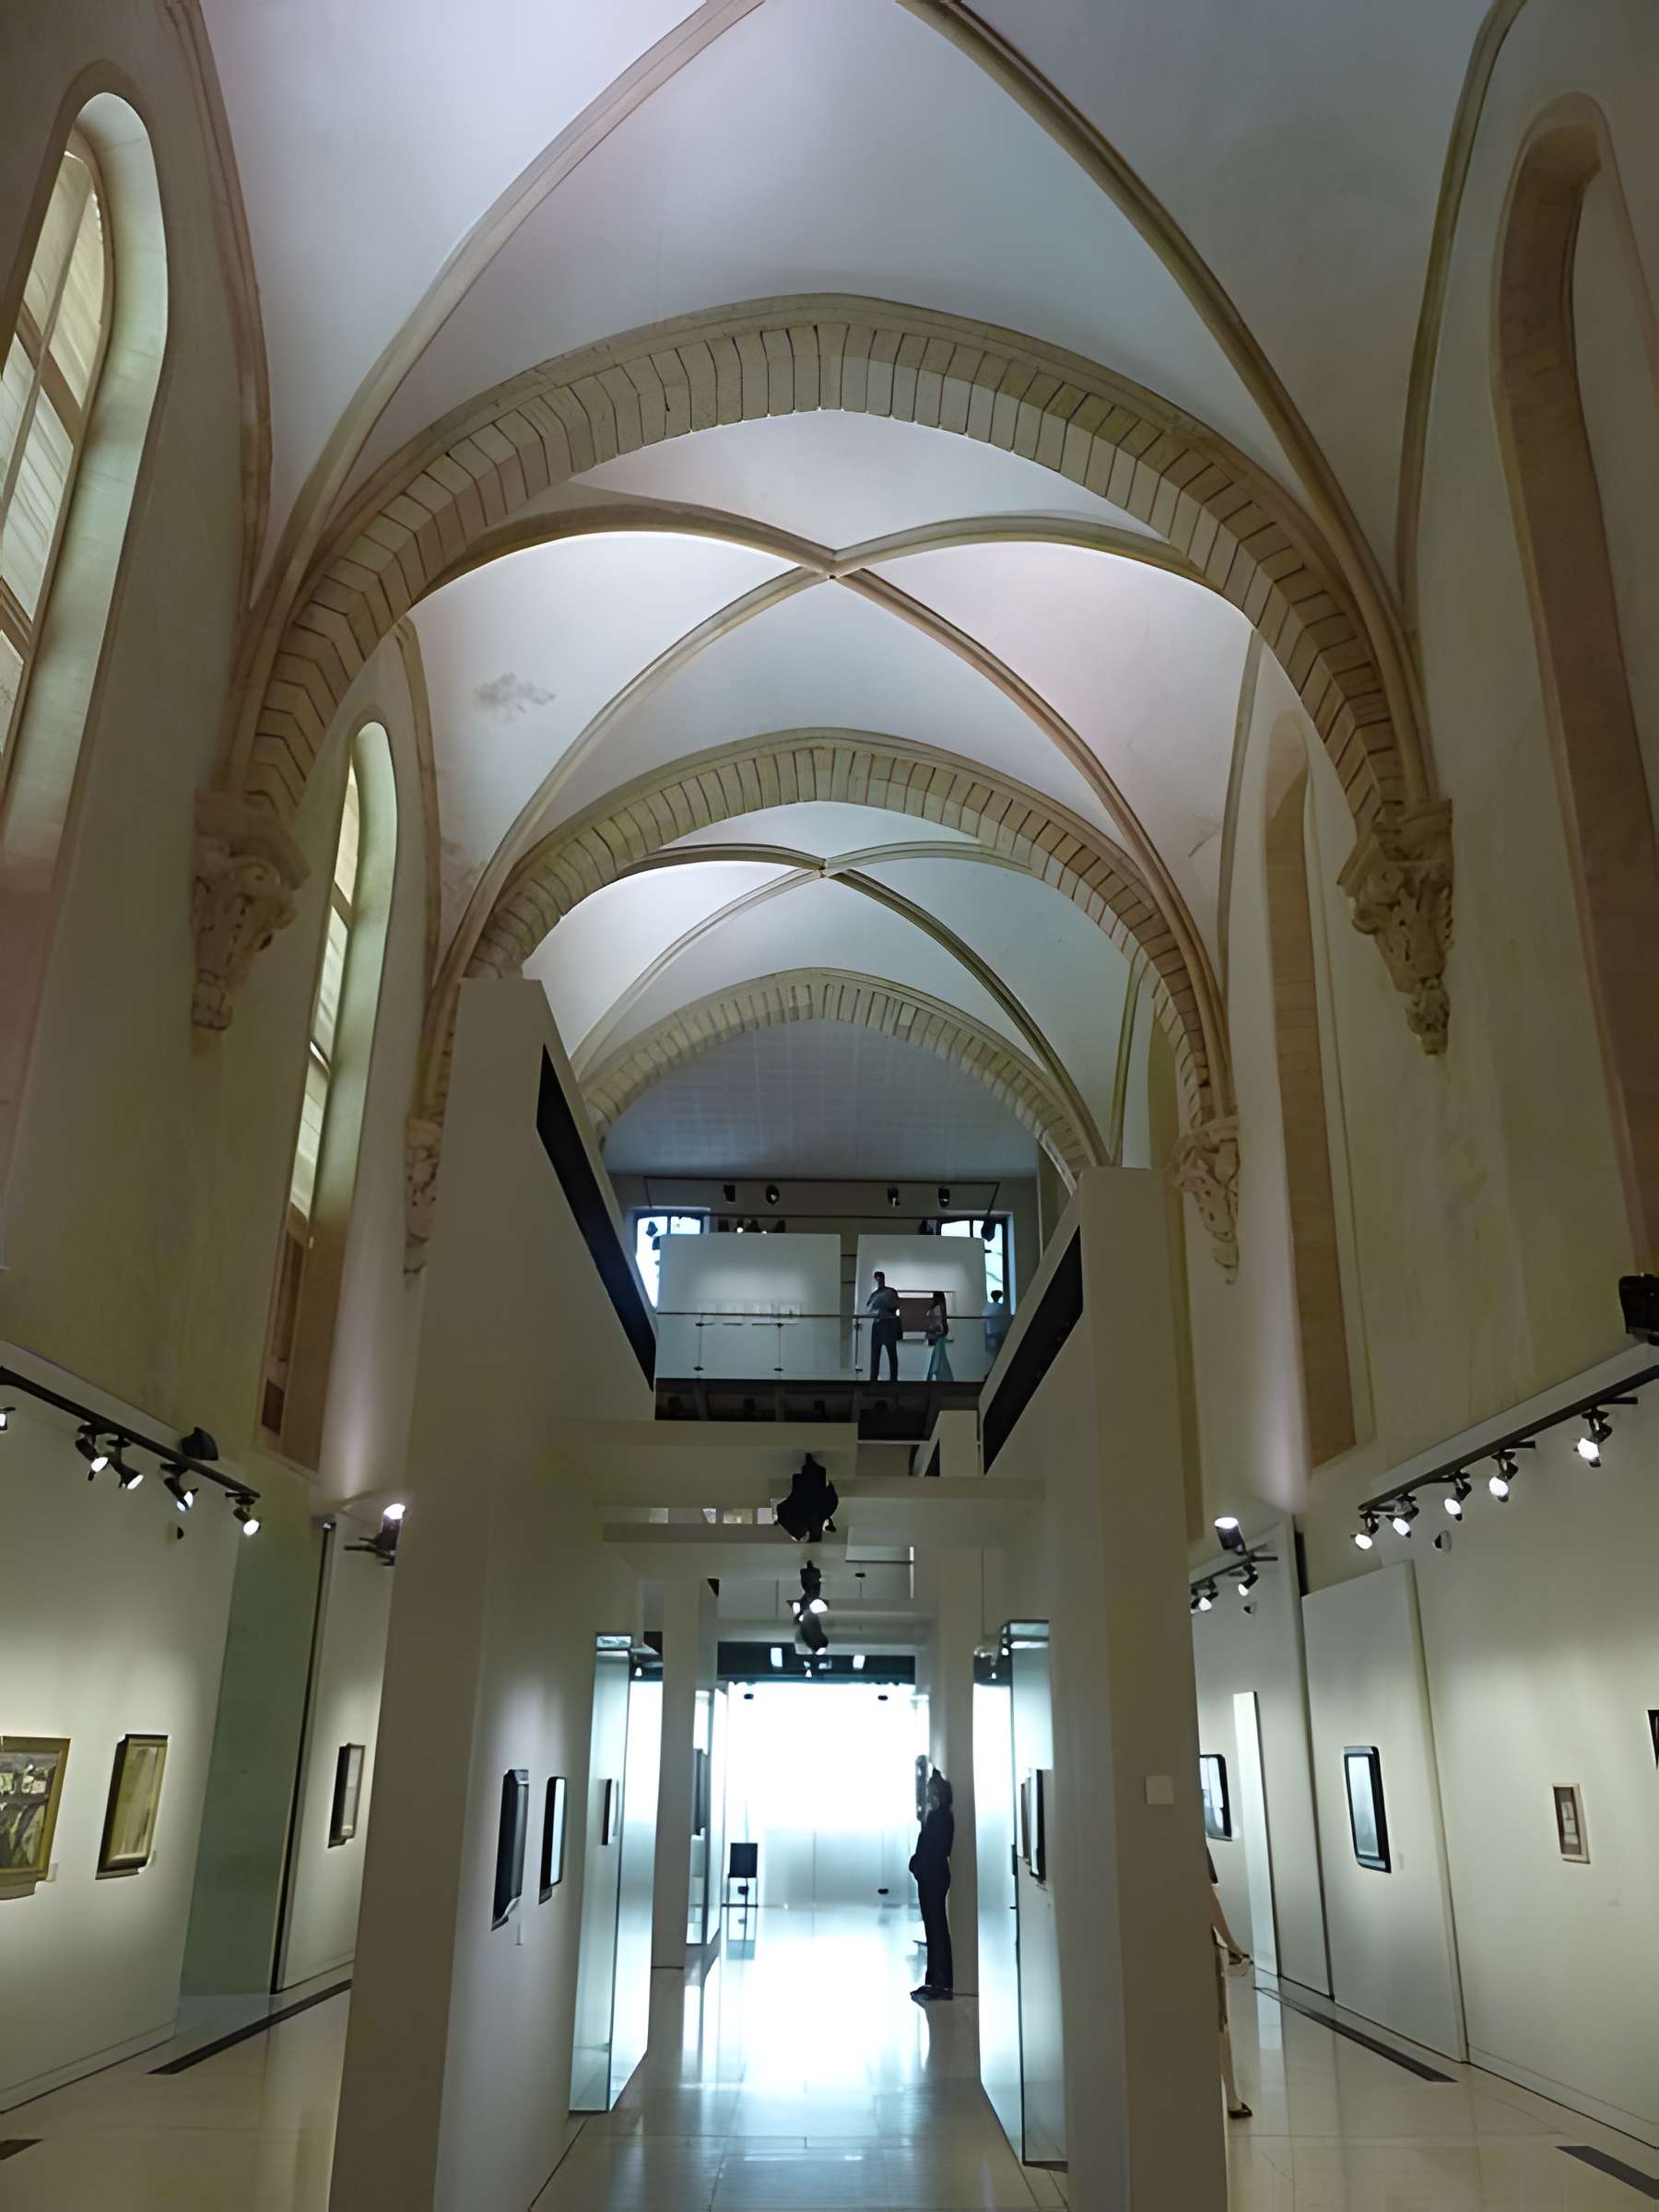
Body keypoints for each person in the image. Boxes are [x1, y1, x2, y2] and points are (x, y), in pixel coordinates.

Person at [1208, 1846, 1252, 2118]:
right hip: (1206, 1941)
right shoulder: (1192, 1842)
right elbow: (1207, 1897)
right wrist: (1233, 1945)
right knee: (1219, 2022)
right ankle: (1232, 2098)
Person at [910, 1771, 955, 2001]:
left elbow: (934, 1850)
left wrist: (917, 1865)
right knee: (934, 1928)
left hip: (933, 1878)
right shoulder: (939, 1817)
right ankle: (935, 1979)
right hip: (932, 1877)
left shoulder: (940, 1818)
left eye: (929, 1792)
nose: (926, 1796)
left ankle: (940, 1981)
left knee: (936, 1928)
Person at [866, 1270, 901, 1382]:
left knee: (891, 1353)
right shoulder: (874, 1295)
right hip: (878, 1325)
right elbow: (868, 1310)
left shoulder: (890, 1292)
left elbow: (895, 1305)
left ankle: (893, 1378)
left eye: (879, 1278)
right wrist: (878, 1312)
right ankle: (874, 1378)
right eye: (877, 1278)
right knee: (875, 1354)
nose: (879, 1280)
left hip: (888, 1324)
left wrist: (883, 1310)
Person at [924, 1291, 953, 1381]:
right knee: (940, 1356)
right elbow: (941, 1322)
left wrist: (933, 1330)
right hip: (939, 1334)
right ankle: (944, 1377)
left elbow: (937, 1323)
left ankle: (942, 1377)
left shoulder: (936, 1308)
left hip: (937, 1334)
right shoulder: (941, 1308)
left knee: (939, 1357)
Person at [983, 1288, 1009, 1362]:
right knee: (999, 1352)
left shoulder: (988, 1307)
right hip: (998, 1333)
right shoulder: (1000, 1308)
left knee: (994, 1353)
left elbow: (984, 1317)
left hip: (990, 1332)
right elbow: (1005, 1319)